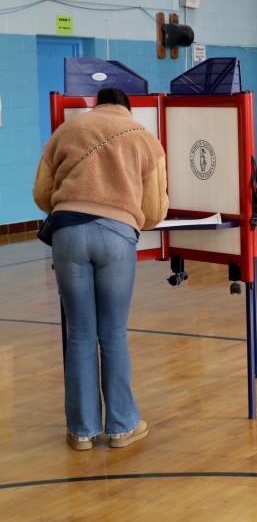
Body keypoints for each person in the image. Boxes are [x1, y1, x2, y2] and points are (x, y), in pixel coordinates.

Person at [33, 88, 168, 450]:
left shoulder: (66, 132)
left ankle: (81, 431)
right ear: (126, 108)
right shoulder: (144, 137)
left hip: (68, 234)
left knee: (79, 333)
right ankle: (122, 426)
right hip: (116, 237)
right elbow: (154, 211)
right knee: (112, 334)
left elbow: (41, 194)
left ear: (97, 105)